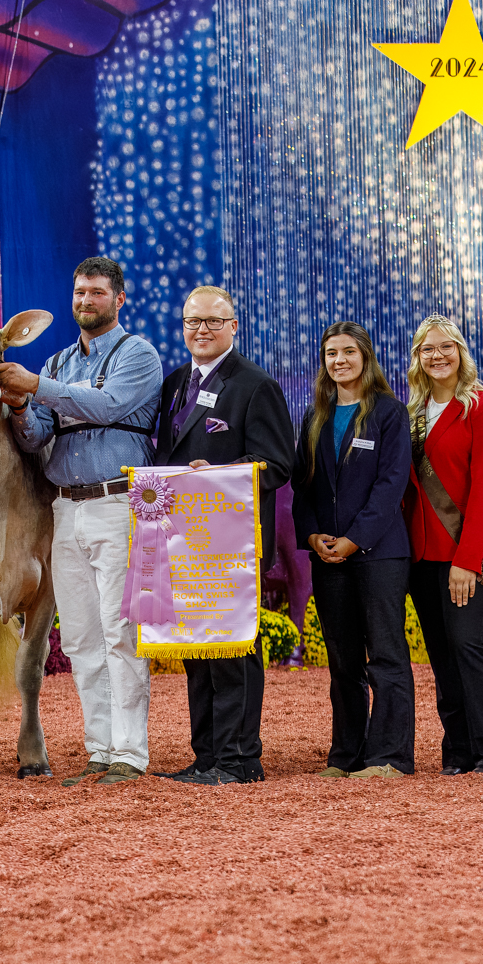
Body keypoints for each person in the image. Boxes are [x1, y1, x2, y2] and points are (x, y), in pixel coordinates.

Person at [0, 257, 163, 787]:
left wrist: (36, 386)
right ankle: (99, 749)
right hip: (65, 508)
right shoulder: (60, 360)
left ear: (119, 299)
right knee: (83, 639)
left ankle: (130, 752)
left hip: (119, 503)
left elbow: (108, 405)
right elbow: (36, 438)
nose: (85, 301)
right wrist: (19, 408)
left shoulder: (139, 353)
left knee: (120, 632)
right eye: (79, 292)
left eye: (96, 292)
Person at [148, 286, 295, 786]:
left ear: (234, 326)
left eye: (213, 321)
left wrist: (220, 476)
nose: (202, 330)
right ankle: (207, 757)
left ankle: (238, 760)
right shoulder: (174, 383)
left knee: (232, 650)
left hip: (234, 545)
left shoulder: (255, 385)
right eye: (193, 321)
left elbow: (277, 463)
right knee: (198, 651)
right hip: (184, 542)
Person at [293, 321, 414, 779]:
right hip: (327, 556)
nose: (339, 360)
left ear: (365, 357)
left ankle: (390, 757)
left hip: (379, 554)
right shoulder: (314, 416)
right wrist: (312, 536)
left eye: (348, 352)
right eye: (331, 353)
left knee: (385, 655)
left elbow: (390, 485)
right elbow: (302, 486)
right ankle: (345, 756)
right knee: (343, 660)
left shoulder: (389, 412)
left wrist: (354, 539)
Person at [402, 315, 483, 776]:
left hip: (466, 554)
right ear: (417, 358)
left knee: (467, 646)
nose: (437, 356)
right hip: (422, 556)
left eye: (446, 347)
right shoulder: (412, 412)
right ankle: (459, 750)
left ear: (460, 352)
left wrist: (467, 560)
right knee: (442, 655)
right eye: (427, 349)